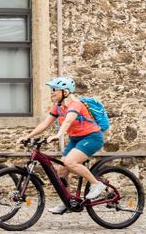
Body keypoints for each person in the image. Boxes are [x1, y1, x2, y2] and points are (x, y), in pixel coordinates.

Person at [23, 76, 112, 214]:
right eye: (52, 89)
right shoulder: (58, 107)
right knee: (61, 170)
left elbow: (69, 120)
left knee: (69, 162)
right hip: (76, 139)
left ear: (65, 92)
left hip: (92, 137)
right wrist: (27, 136)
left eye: (55, 90)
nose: (52, 92)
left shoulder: (75, 104)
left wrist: (59, 135)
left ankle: (96, 184)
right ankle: (68, 201)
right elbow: (45, 124)